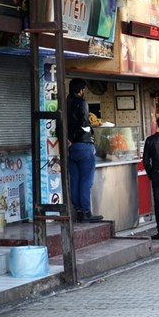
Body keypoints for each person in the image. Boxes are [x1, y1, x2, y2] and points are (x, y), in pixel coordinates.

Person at [66, 78, 103, 223]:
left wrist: (69, 139)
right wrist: (89, 131)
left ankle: (78, 211)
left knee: (75, 180)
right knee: (86, 181)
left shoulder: (65, 103)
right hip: (84, 145)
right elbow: (83, 123)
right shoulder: (82, 103)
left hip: (71, 148)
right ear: (81, 90)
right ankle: (86, 211)